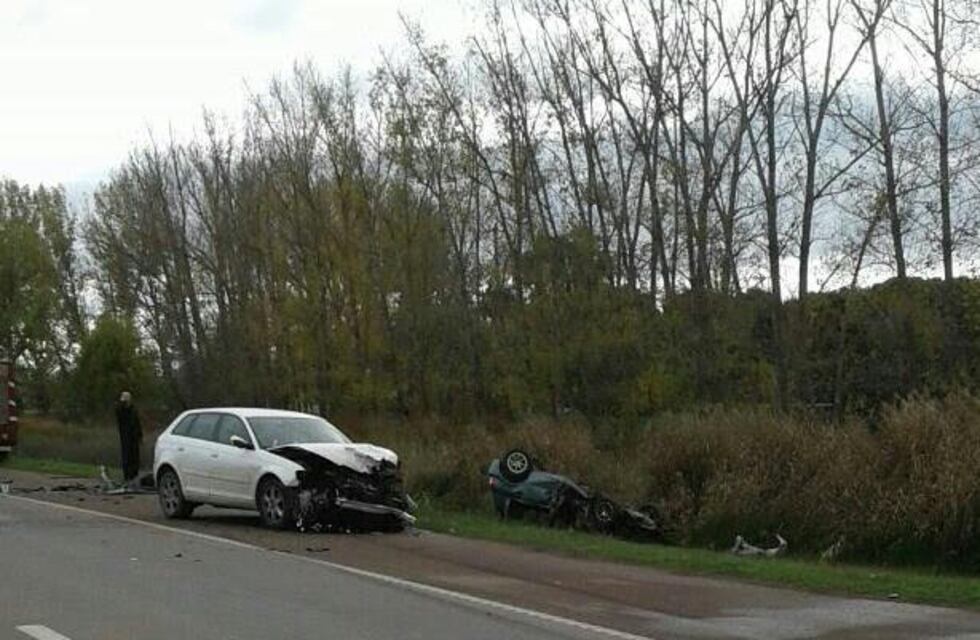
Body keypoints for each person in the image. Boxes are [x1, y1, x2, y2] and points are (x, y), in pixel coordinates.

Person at [115, 391, 142, 488]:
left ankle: (134, 476)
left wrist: (139, 435)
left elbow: (137, 423)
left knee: (135, 457)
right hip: (125, 437)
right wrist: (123, 405)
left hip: (134, 437)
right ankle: (127, 477)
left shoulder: (134, 410)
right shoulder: (120, 410)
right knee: (126, 457)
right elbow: (119, 414)